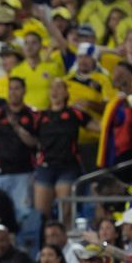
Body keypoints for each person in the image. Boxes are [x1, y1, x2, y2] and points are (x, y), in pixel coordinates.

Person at [35, 78, 98, 222]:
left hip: (68, 167)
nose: (54, 91)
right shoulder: (40, 116)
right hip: (45, 166)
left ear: (66, 93)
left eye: (58, 88)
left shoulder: (75, 113)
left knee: (65, 213)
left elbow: (99, 128)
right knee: (42, 215)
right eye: (52, 88)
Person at [0, 77, 38, 221]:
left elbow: (34, 143)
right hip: (0, 172)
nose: (13, 92)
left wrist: (17, 127)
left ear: (24, 91)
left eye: (17, 88)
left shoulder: (32, 114)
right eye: (11, 88)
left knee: (22, 213)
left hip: (24, 172)